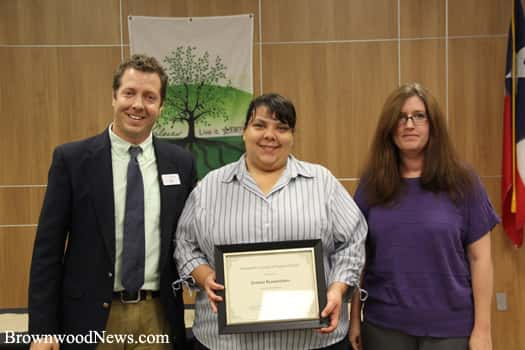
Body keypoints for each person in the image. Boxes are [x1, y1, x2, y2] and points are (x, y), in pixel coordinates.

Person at [28, 54, 196, 349]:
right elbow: (47, 251)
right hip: (89, 320)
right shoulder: (72, 160)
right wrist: (42, 329)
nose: (138, 105)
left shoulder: (180, 164)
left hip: (157, 317)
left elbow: (191, 239)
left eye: (149, 97)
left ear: (161, 106)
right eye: (129, 93)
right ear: (114, 97)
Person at [174, 93, 367, 350]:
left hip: (311, 341)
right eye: (260, 125)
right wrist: (205, 276)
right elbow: (184, 243)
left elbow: (354, 240)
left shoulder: (322, 183)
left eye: (281, 128)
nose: (270, 135)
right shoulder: (210, 186)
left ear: (292, 136)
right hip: (226, 343)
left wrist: (337, 289)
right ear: (244, 132)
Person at [349, 83, 499, 350]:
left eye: (419, 116)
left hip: (450, 329)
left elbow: (481, 258)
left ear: (433, 125)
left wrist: (483, 330)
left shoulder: (464, 182)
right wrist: (354, 320)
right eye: (401, 117)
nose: (409, 124)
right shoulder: (371, 184)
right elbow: (357, 257)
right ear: (389, 128)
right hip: (384, 326)